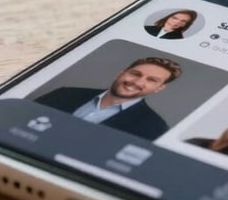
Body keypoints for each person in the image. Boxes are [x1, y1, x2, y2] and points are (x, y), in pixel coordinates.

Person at [34, 57, 182, 141]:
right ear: (121, 73)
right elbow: (23, 119)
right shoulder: (65, 93)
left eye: (151, 80)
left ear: (159, 88)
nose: (137, 82)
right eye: (135, 74)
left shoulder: (154, 127)